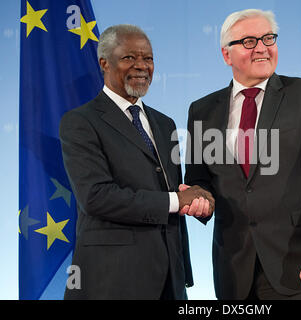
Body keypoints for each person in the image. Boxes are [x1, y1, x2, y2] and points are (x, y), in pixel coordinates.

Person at [184, 9, 301, 300]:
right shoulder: (202, 110)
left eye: (268, 38)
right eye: (248, 41)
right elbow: (199, 181)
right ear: (226, 55)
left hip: (298, 268)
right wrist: (199, 201)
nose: (262, 48)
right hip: (233, 272)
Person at [59, 24, 214, 300]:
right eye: (130, 57)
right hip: (112, 281)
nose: (142, 66)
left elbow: (175, 191)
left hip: (170, 280)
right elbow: (96, 196)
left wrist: (200, 201)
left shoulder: (165, 124)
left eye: (148, 58)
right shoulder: (80, 122)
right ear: (104, 63)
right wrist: (177, 201)